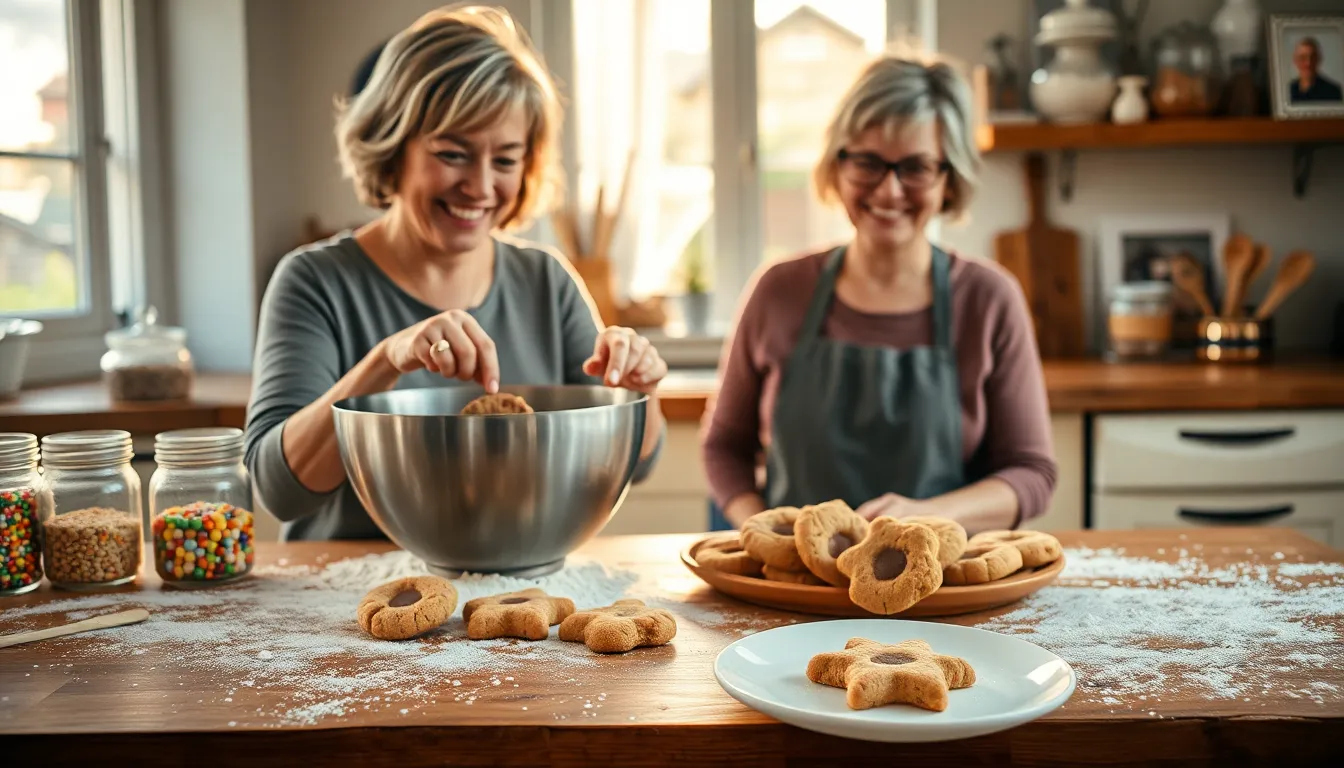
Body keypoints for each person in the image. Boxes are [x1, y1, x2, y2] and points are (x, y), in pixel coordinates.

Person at [244, 5, 668, 541]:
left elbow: (637, 461)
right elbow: (279, 491)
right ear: (391, 147)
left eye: (507, 160)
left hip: (513, 597)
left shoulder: (547, 281)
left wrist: (637, 392)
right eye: (453, 154)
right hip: (352, 609)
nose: (480, 186)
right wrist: (385, 360)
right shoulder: (314, 281)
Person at [700, 55, 1056, 535]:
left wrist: (932, 516)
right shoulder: (779, 291)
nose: (889, 192)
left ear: (948, 178)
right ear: (837, 165)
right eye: (868, 162)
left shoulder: (989, 299)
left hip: (940, 591)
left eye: (915, 168)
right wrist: (764, 532)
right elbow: (724, 445)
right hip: (792, 589)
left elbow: (1031, 473)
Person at [1289, 36, 1343, 103]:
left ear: (1319, 59)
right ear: (1295, 61)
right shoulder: (1289, 90)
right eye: (1302, 58)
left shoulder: (1333, 91)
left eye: (1313, 57)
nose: (1308, 63)